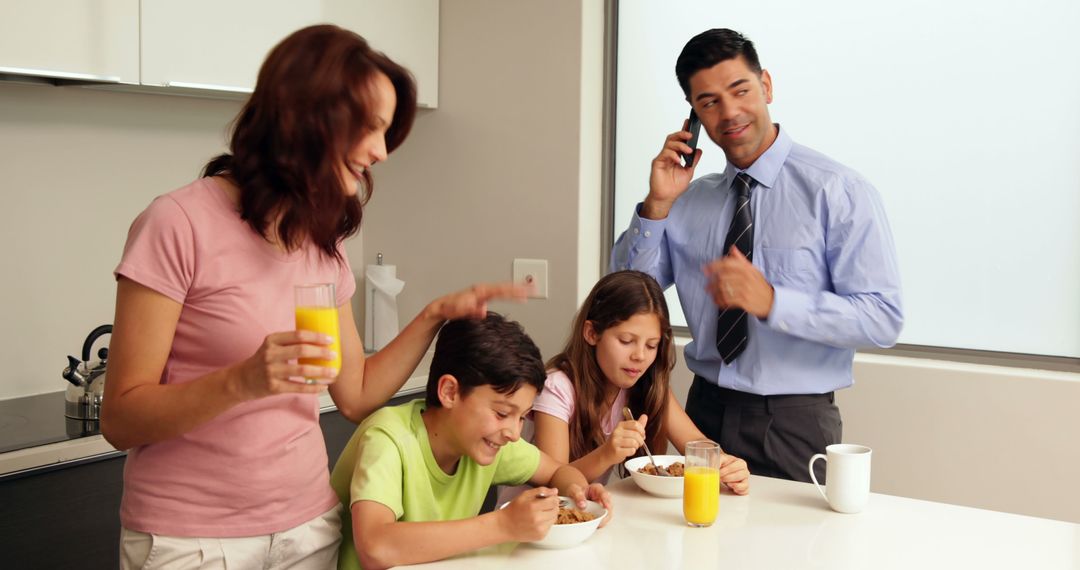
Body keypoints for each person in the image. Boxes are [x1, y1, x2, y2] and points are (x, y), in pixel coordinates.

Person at [102, 25, 528, 569]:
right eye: (370, 128)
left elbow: (355, 393)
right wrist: (242, 380)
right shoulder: (177, 223)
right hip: (193, 541)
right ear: (308, 117)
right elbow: (120, 417)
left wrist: (433, 316)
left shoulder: (322, 241)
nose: (381, 152)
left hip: (306, 529)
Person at [611, 28, 903, 483]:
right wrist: (657, 206)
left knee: (792, 552)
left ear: (765, 85)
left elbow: (883, 318)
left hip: (793, 425)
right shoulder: (687, 200)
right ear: (694, 118)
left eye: (740, 90)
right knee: (695, 548)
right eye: (709, 102)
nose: (729, 112)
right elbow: (625, 300)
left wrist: (772, 301)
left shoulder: (838, 191)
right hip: (701, 413)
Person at [330, 313, 613, 570]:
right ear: (450, 392)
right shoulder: (388, 438)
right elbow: (375, 547)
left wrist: (578, 492)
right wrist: (503, 524)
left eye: (522, 417)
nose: (514, 433)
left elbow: (556, 471)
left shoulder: (490, 440)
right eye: (502, 413)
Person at [530, 270, 749, 493]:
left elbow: (694, 442)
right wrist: (606, 454)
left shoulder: (647, 384)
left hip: (590, 515)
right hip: (539, 519)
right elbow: (554, 480)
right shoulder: (557, 388)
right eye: (626, 341)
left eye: (651, 345)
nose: (640, 356)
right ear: (592, 333)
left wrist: (725, 464)